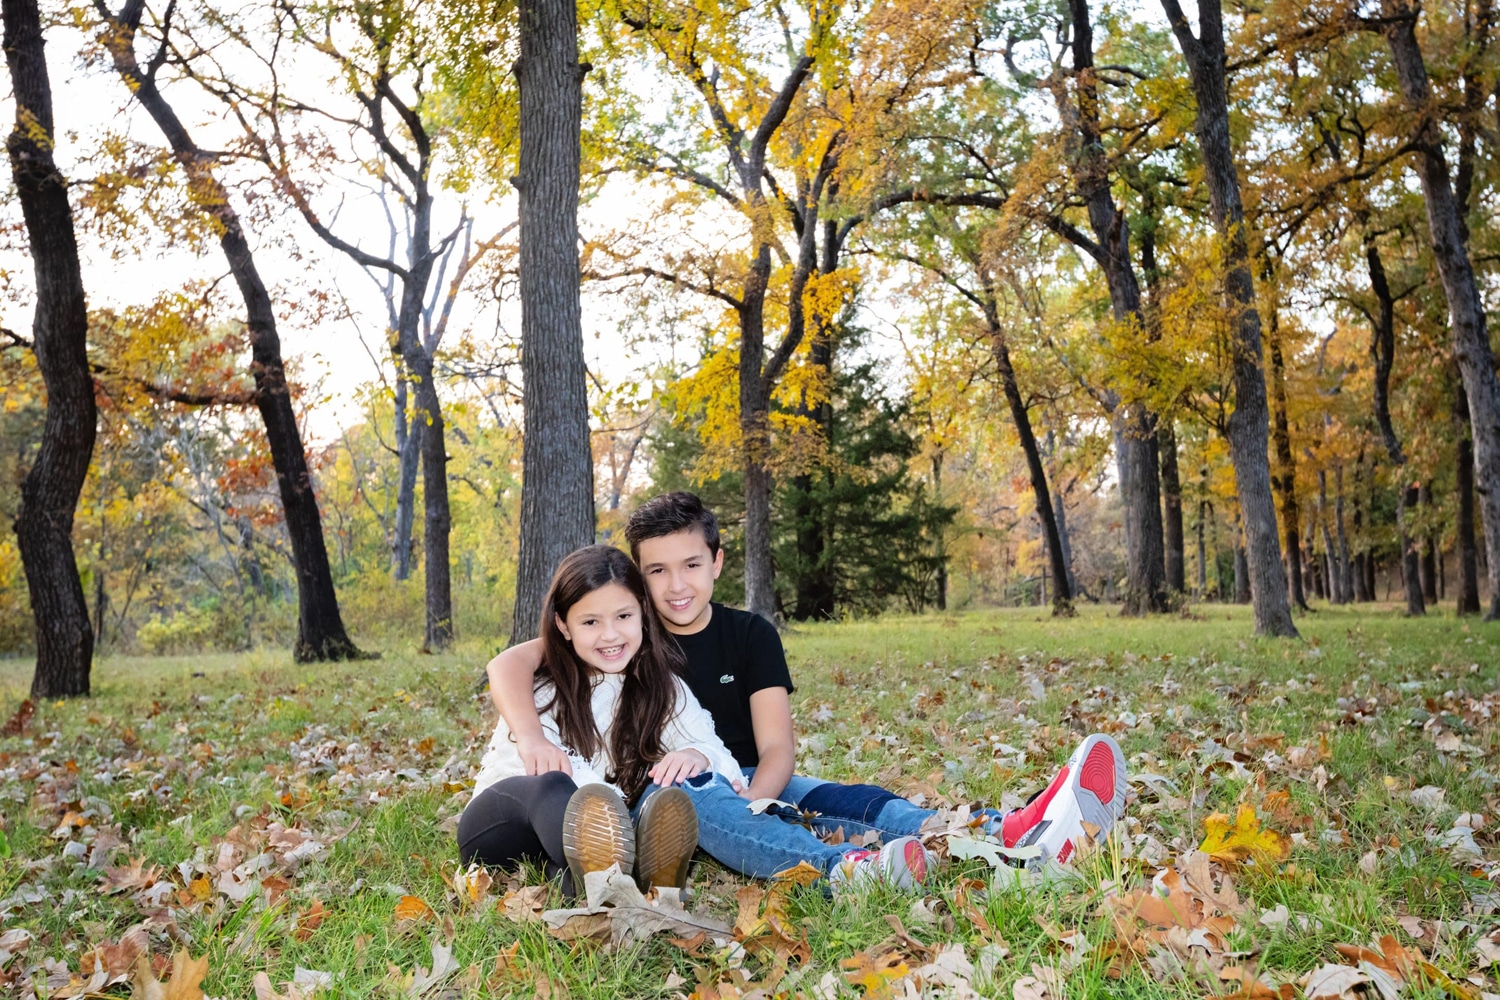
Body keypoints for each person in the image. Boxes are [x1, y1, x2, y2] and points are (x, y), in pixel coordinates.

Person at [487, 493, 1128, 886]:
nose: (676, 586)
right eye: (657, 571)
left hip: (744, 774)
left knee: (843, 799)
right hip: (680, 789)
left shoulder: (747, 634)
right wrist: (531, 734)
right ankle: (866, 867)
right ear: (637, 579)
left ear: (717, 561)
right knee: (721, 800)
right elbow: (512, 665)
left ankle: (1006, 828)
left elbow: (775, 753)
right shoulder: (621, 627)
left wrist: (757, 803)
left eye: (690, 566)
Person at [458, 544, 736, 897]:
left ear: (643, 614)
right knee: (556, 784)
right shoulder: (542, 685)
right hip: (502, 825)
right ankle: (620, 864)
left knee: (665, 791)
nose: (610, 635)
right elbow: (540, 763)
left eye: (623, 616)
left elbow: (718, 753)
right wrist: (535, 742)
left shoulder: (663, 687)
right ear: (563, 625)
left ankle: (609, 885)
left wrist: (697, 754)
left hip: (567, 846)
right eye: (590, 622)